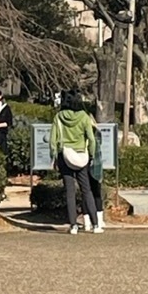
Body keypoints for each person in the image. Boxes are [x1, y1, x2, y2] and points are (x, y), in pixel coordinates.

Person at [50, 90, 101, 235]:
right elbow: (91, 139)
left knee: (70, 192)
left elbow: (53, 140)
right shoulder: (84, 117)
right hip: (81, 156)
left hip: (64, 156)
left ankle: (73, 225)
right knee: (87, 190)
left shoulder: (59, 117)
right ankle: (95, 224)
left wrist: (53, 156)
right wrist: (91, 155)